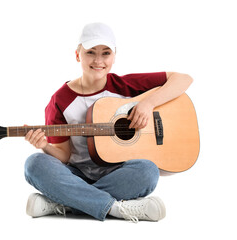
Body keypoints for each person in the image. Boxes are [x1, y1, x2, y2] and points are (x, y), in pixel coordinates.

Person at [24, 22, 193, 223]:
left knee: (148, 171)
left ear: (114, 56)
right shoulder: (60, 100)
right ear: (78, 55)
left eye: (106, 53)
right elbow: (64, 155)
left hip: (119, 174)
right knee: (34, 164)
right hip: (76, 176)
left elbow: (183, 79)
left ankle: (65, 203)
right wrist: (44, 146)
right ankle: (114, 208)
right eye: (90, 52)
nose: (98, 60)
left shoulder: (125, 85)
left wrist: (148, 104)